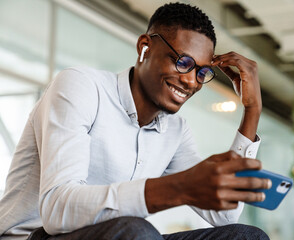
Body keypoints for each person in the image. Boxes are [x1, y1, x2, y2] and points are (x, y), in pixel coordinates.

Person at [0, 2, 271, 240]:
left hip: (124, 235)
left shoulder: (175, 130)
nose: (191, 81)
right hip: (35, 236)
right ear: (145, 47)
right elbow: (57, 211)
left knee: (247, 236)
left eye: (202, 72)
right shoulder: (82, 86)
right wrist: (180, 186)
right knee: (137, 231)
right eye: (183, 62)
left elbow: (223, 216)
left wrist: (252, 111)